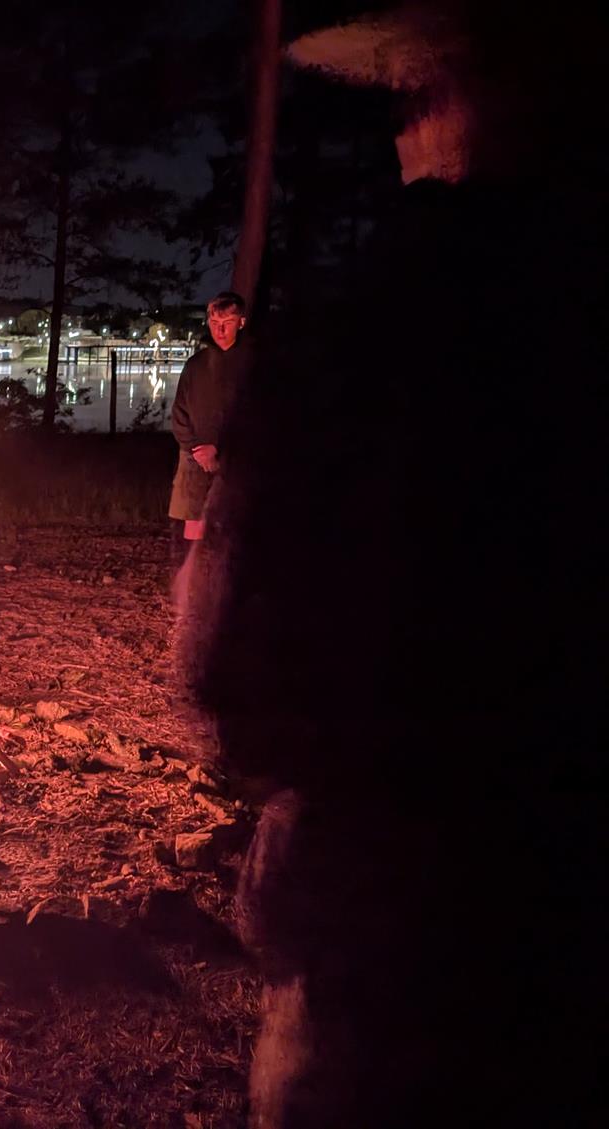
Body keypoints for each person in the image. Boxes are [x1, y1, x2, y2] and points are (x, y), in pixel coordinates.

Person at [181, 5, 603, 1125]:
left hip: (395, 922)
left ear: (455, 97)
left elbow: (233, 662)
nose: (402, 124)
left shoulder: (375, 321)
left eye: (414, 90)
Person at [168, 291, 251, 548]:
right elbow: (179, 413)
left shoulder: (251, 366)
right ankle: (193, 571)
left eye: (227, 322)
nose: (220, 330)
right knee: (194, 527)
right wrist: (195, 448)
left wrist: (218, 448)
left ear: (241, 322)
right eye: (214, 323)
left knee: (232, 528)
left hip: (236, 460)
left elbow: (255, 417)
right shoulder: (195, 365)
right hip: (195, 459)